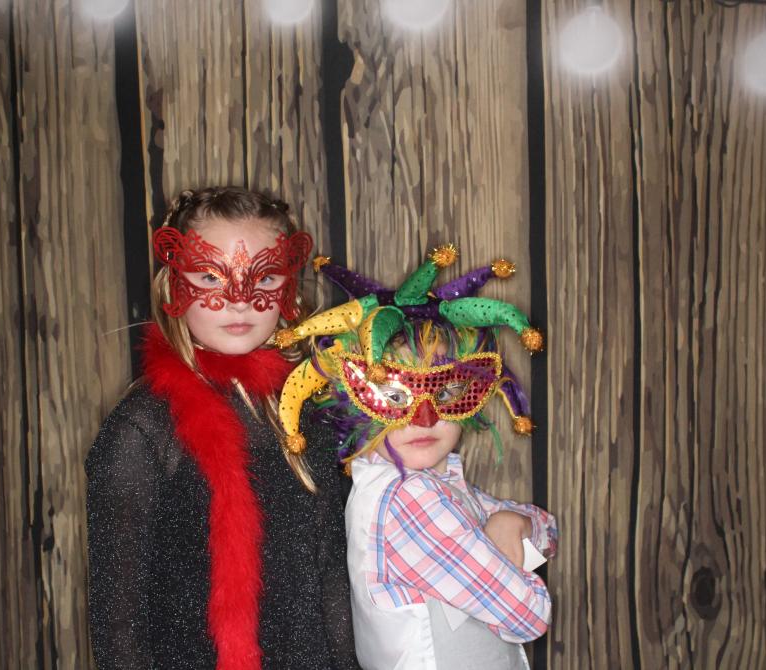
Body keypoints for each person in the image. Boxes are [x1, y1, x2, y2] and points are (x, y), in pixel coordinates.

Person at [85, 186, 359, 670]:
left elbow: (332, 579)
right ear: (174, 285)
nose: (240, 301)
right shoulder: (141, 433)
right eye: (210, 276)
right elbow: (118, 626)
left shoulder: (303, 412)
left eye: (265, 276)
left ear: (289, 287)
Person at [276, 246, 558, 669]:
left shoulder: (430, 483)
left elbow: (548, 529)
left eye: (446, 392)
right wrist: (515, 548)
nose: (424, 418)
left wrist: (510, 522)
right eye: (395, 397)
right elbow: (528, 616)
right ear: (355, 405)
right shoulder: (412, 500)